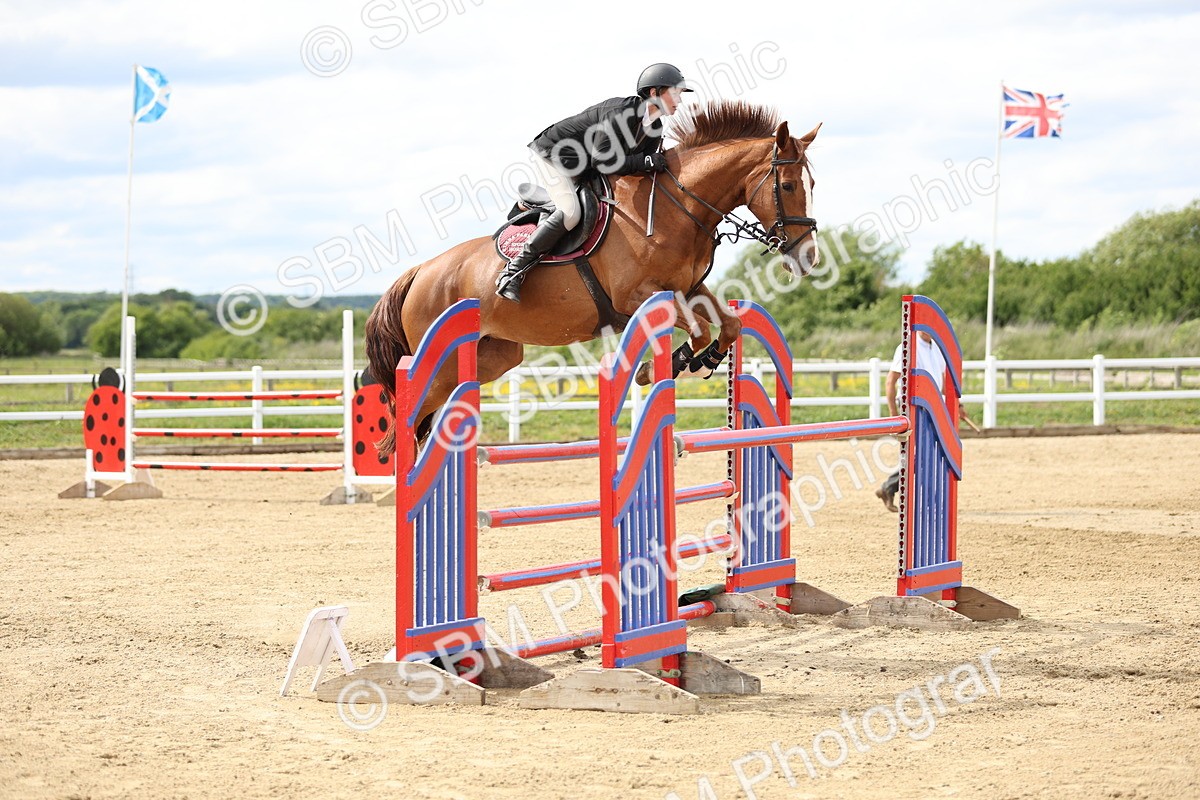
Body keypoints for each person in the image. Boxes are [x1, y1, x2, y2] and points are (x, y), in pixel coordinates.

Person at [495, 63, 693, 303]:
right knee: (571, 213)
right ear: (654, 93)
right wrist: (645, 159)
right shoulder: (621, 112)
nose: (679, 101)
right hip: (556, 157)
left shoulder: (655, 127)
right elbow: (603, 160)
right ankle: (513, 272)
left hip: (587, 167)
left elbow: (638, 168)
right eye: (675, 94)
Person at [875, 331, 972, 512]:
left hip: (931, 406)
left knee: (928, 454)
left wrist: (958, 404)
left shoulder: (937, 349)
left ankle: (890, 487)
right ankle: (905, 492)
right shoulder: (907, 347)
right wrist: (894, 415)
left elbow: (943, 385)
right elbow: (891, 381)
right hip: (910, 405)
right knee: (924, 454)